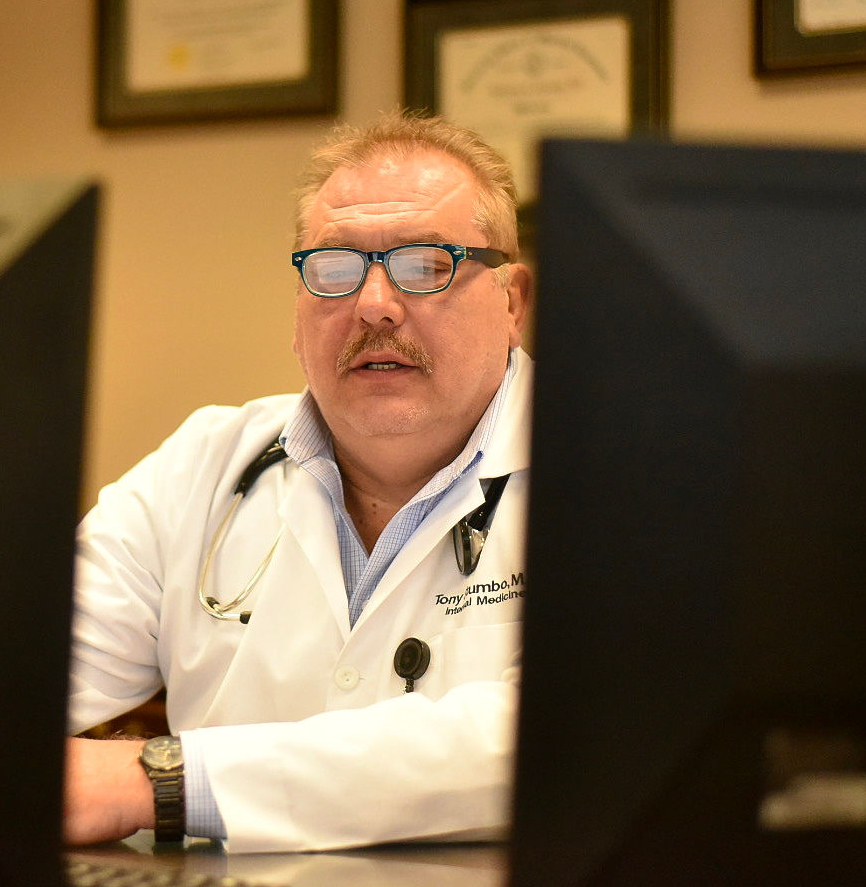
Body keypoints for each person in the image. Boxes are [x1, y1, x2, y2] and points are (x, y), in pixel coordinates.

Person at [64, 113, 534, 853]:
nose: (375, 304)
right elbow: (6, 691)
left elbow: (541, 740)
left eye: (425, 265)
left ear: (513, 303)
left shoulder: (612, 481)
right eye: (335, 268)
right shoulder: (204, 467)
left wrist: (162, 782)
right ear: (298, 311)